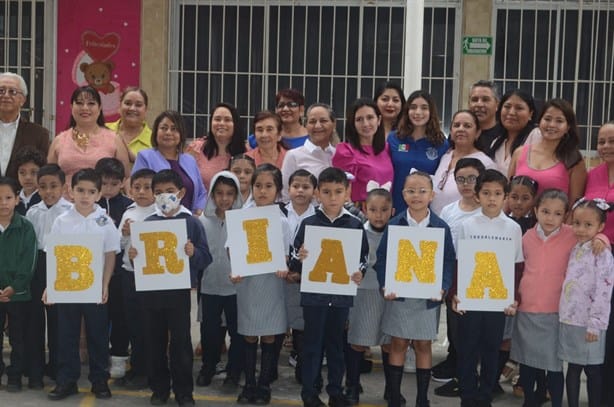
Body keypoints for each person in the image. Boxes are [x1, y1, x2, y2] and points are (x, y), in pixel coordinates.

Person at [511, 190, 606, 407]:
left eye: (557, 213)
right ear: (535, 211)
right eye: (545, 211)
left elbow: (591, 233)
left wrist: (602, 237)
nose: (550, 218)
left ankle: (555, 402)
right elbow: (516, 268)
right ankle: (530, 400)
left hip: (556, 311)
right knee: (527, 362)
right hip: (527, 307)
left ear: (565, 217)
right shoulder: (526, 237)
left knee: (553, 365)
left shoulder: (572, 235)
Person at [128, 169, 212, 406]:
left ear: (181, 193)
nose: (164, 197)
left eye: (169, 192)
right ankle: (159, 388)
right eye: (159, 193)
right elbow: (138, 262)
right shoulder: (148, 223)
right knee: (154, 341)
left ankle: (184, 391)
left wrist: (193, 253)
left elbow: (206, 258)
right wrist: (135, 256)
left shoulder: (191, 223)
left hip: (178, 294)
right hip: (151, 294)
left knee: (181, 343)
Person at [289, 167, 369, 407]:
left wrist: (359, 273)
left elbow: (363, 258)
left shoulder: (355, 224)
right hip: (314, 296)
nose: (332, 197)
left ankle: (336, 391)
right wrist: (300, 257)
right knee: (312, 345)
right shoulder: (308, 223)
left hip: (341, 297)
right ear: (317, 194)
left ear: (347, 193)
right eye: (326, 192)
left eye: (338, 191)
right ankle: (309, 393)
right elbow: (293, 257)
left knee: (336, 346)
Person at [374, 171, 456, 407]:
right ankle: (394, 396)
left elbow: (447, 261)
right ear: (403, 194)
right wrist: (385, 285)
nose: (416, 195)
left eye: (422, 191)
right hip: (399, 297)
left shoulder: (441, 227)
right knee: (398, 343)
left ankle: (422, 398)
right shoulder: (394, 224)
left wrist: (442, 287)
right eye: (411, 191)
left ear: (432, 195)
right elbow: (382, 259)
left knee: (423, 345)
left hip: (427, 298)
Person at [45, 168, 120, 401]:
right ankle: (67, 380)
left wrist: (105, 284)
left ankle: (99, 380)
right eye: (80, 190)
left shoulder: (104, 221)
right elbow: (54, 254)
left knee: (98, 335)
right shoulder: (61, 220)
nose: (85, 196)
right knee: (66, 335)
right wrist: (50, 285)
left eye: (91, 191)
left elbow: (110, 255)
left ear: (99, 194)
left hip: (94, 289)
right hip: (67, 288)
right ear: (71, 191)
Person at [452, 169, 523, 407]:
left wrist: (514, 298)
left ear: (505, 197)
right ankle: (467, 395)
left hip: (497, 301)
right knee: (468, 348)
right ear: (477, 195)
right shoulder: (467, 225)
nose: (492, 198)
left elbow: (517, 267)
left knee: (492, 349)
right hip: (471, 299)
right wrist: (456, 294)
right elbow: (460, 262)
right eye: (486, 193)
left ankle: (485, 396)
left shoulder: (512, 228)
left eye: (497, 193)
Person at [230, 164, 291, 405]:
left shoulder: (282, 221)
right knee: (248, 334)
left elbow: (286, 254)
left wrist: (284, 266)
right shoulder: (241, 217)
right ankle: (249, 385)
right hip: (247, 282)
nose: (262, 191)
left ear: (278, 191)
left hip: (272, 282)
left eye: (268, 186)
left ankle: (264, 384)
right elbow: (231, 248)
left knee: (268, 334)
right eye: (258, 186)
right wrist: (234, 271)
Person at [434, 158, 486, 395]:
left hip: (479, 276)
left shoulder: (488, 209)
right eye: (461, 179)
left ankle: (471, 379)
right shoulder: (449, 210)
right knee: (455, 330)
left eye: (472, 178)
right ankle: (460, 373)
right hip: (453, 275)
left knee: (474, 333)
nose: (466, 184)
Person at [559, 198, 614, 407]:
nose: (581, 229)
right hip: (571, 320)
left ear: (600, 227)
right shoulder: (575, 248)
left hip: (591, 325)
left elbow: (604, 290)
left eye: (588, 225)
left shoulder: (602, 253)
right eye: (577, 223)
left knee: (593, 369)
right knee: (573, 368)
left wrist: (596, 322)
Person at [342, 186, 392, 404]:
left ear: (392, 210)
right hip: (362, 294)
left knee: (389, 343)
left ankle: (392, 388)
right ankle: (352, 385)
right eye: (373, 209)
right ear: (365, 209)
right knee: (358, 341)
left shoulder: (399, 234)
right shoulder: (356, 232)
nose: (378, 215)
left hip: (390, 296)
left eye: (384, 209)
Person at [25, 164, 72, 386]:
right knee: (34, 320)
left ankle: (57, 366)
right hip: (38, 265)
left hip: (61, 264)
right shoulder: (33, 212)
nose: (48, 192)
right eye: (43, 187)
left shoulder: (70, 211)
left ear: (64, 187)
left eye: (54, 186)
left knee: (58, 321)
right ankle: (35, 369)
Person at [196, 171, 244, 391]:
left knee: (237, 331)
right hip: (209, 287)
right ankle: (209, 366)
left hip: (236, 289)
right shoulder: (201, 221)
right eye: (219, 193)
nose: (224, 198)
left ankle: (234, 371)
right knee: (209, 331)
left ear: (236, 196)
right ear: (212, 195)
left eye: (230, 194)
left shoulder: (244, 221)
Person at [116, 168, 157, 389]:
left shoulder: (160, 212)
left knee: (149, 326)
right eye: (137, 187)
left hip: (151, 277)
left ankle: (150, 370)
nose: (141, 192)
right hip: (129, 275)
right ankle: (138, 367)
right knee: (133, 324)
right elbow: (118, 246)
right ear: (130, 189)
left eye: (147, 187)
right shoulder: (128, 212)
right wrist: (123, 234)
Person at [47, 86, 130, 192]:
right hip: (65, 205)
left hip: (103, 205)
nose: (85, 108)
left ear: (99, 108)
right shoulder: (59, 140)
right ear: (71, 107)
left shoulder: (114, 139)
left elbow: (126, 178)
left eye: (91, 103)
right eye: (79, 103)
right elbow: (49, 177)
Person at [94, 157, 133, 380]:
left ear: (122, 183)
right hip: (95, 271)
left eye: (114, 184)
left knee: (120, 317)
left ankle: (119, 356)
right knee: (98, 318)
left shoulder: (129, 206)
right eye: (104, 183)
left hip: (121, 273)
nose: (108, 189)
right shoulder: (90, 205)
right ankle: (99, 357)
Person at [508, 98, 587, 207]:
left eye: (559, 121)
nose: (552, 125)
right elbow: (508, 195)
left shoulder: (574, 160)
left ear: (568, 127)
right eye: (547, 119)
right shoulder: (520, 152)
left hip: (552, 223)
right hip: (517, 222)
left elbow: (574, 205)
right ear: (540, 121)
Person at [585, 122, 614, 406]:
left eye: (612, 141)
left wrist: (607, 237)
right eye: (601, 141)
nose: (605, 146)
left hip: (612, 253)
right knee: (599, 324)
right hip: (594, 259)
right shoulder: (592, 174)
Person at [0, 176, 37, 392]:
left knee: (18, 337)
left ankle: (15, 375)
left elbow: (29, 262)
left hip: (18, 293)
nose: (3, 203)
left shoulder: (26, 228)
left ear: (17, 200)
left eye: (7, 197)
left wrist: (14, 287)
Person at [133, 110, 206, 215]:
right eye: (164, 128)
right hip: (156, 221)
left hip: (190, 220)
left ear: (181, 134)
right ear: (156, 132)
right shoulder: (145, 157)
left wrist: (198, 211)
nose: (168, 132)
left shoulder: (190, 160)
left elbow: (201, 193)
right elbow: (140, 191)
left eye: (174, 129)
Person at [387, 90, 448, 213]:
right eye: (413, 107)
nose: (418, 112)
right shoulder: (394, 139)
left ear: (431, 112)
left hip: (425, 210)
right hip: (395, 208)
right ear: (407, 111)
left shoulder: (441, 144)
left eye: (424, 108)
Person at [284, 169, 317, 383]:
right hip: (282, 274)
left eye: (306, 187)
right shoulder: (278, 212)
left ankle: (302, 360)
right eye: (296, 186)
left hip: (307, 279)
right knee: (287, 316)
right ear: (288, 189)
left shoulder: (318, 216)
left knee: (304, 322)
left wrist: (299, 272)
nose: (300, 191)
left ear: (314, 192)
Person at [431, 110, 497, 214]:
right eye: (456, 125)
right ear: (451, 131)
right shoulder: (446, 156)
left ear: (477, 133)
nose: (461, 129)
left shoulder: (486, 163)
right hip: (437, 225)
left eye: (467, 126)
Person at [333, 98, 394, 206]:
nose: (365, 124)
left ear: (379, 120)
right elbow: (341, 191)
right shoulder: (345, 151)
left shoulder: (387, 149)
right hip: (359, 214)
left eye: (370, 118)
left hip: (385, 213)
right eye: (359, 119)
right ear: (353, 124)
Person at [281, 103, 337, 200]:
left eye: (323, 121)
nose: (318, 126)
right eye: (312, 121)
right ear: (306, 125)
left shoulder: (339, 154)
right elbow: (285, 195)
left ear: (334, 124)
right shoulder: (293, 156)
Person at [0, 72, 49, 180]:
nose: (6, 95)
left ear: (22, 100)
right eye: (1, 91)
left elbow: (43, 173)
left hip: (22, 195)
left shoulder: (39, 134)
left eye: (12, 92)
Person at [186, 103, 246, 191]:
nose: (221, 123)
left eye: (227, 120)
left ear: (235, 124)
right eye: (217, 119)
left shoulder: (246, 151)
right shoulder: (196, 149)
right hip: (202, 204)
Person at [488, 89, 536, 175]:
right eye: (507, 106)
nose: (511, 112)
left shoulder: (535, 136)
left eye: (519, 108)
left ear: (530, 114)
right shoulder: (496, 142)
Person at [106, 87, 152, 164]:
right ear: (120, 106)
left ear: (146, 109)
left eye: (138, 105)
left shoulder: (154, 140)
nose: (132, 108)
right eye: (128, 103)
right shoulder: (104, 130)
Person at [468, 80, 502, 153]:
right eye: (475, 100)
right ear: (469, 104)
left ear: (497, 105)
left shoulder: (504, 135)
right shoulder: (461, 132)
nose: (479, 104)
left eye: (485, 100)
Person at [14, 146, 45, 215]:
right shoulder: (12, 199)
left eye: (34, 172)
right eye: (22, 173)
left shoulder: (45, 198)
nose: (28, 177)